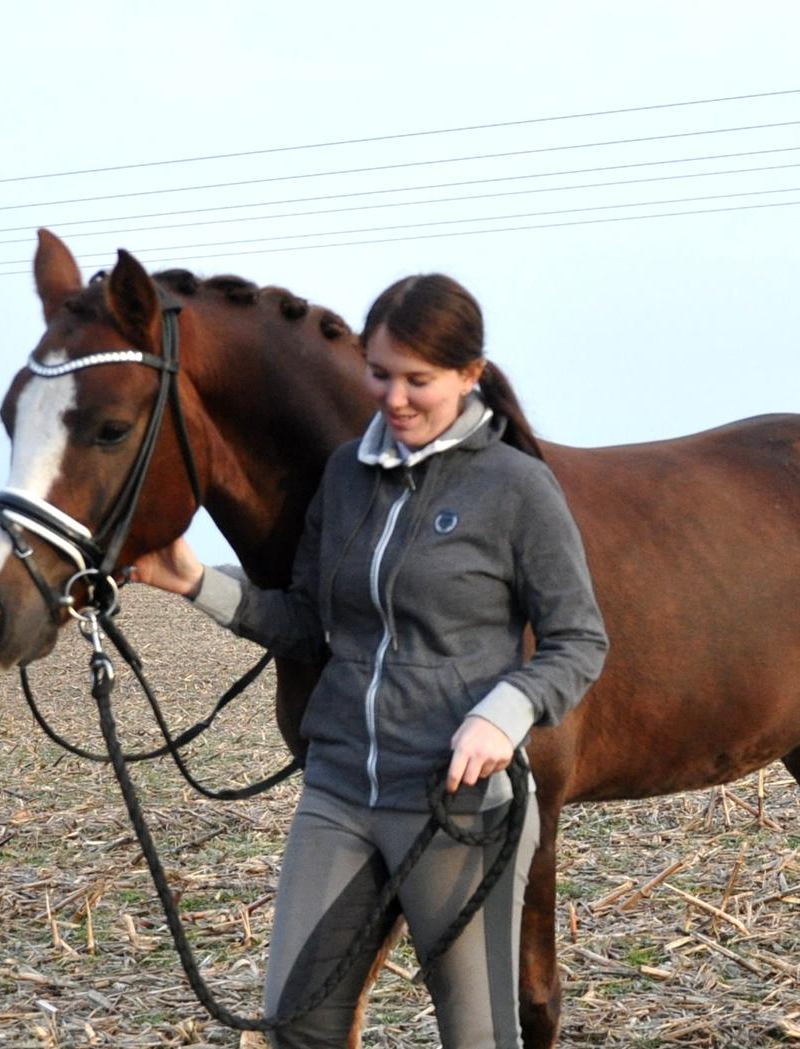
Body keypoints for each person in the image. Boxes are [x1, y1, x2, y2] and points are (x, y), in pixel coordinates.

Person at [130, 273, 608, 1049]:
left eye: (419, 380)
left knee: (479, 1036)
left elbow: (579, 640)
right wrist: (194, 582)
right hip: (340, 790)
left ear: (469, 375)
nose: (394, 398)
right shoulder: (346, 475)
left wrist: (503, 713)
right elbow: (308, 624)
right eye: (380, 374)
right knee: (299, 1027)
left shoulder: (517, 488)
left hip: (456, 802)